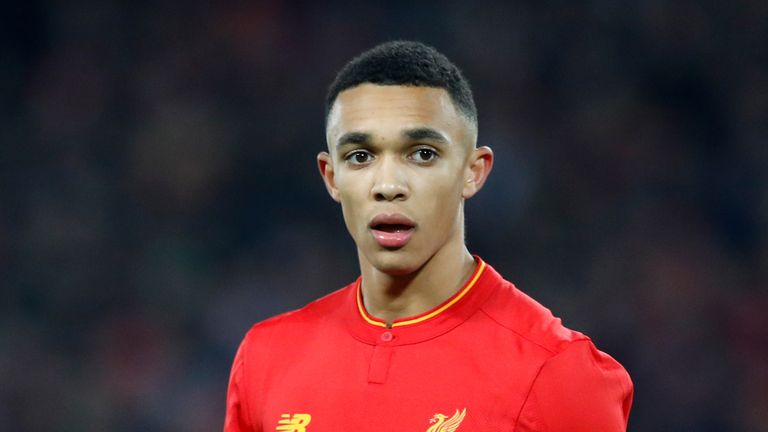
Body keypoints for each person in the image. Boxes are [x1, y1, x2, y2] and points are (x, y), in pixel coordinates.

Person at [224, 40, 633, 432]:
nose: (388, 184)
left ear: (473, 171)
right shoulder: (267, 358)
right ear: (331, 178)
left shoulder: (557, 371)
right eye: (360, 157)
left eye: (422, 153)